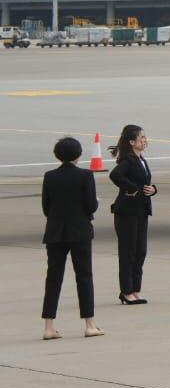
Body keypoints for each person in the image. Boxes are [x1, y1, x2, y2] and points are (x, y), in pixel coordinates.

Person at [41, 135, 102, 340]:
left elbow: (46, 208)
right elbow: (90, 206)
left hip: (55, 232)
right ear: (78, 154)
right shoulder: (85, 176)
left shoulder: (49, 176)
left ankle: (49, 326)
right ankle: (89, 324)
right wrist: (96, 202)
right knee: (84, 276)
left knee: (53, 278)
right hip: (80, 231)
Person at [108, 123, 156, 305]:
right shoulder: (127, 160)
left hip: (141, 211)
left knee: (140, 251)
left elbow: (144, 181)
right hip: (127, 212)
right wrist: (132, 189)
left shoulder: (141, 159)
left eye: (144, 137)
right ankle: (126, 291)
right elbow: (115, 176)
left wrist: (152, 189)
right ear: (132, 142)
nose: (145, 140)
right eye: (141, 138)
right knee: (128, 252)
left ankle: (136, 289)